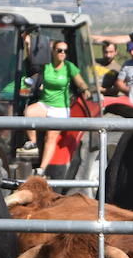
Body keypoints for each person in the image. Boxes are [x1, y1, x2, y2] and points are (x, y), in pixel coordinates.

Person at [26, 40, 88, 173]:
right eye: (59, 50)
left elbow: (80, 82)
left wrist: (85, 89)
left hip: (60, 108)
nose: (62, 53)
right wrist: (28, 43)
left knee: (50, 137)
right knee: (29, 113)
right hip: (44, 104)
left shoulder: (69, 67)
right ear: (53, 51)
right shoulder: (46, 66)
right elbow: (31, 60)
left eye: (65, 51)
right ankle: (33, 143)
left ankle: (41, 169)